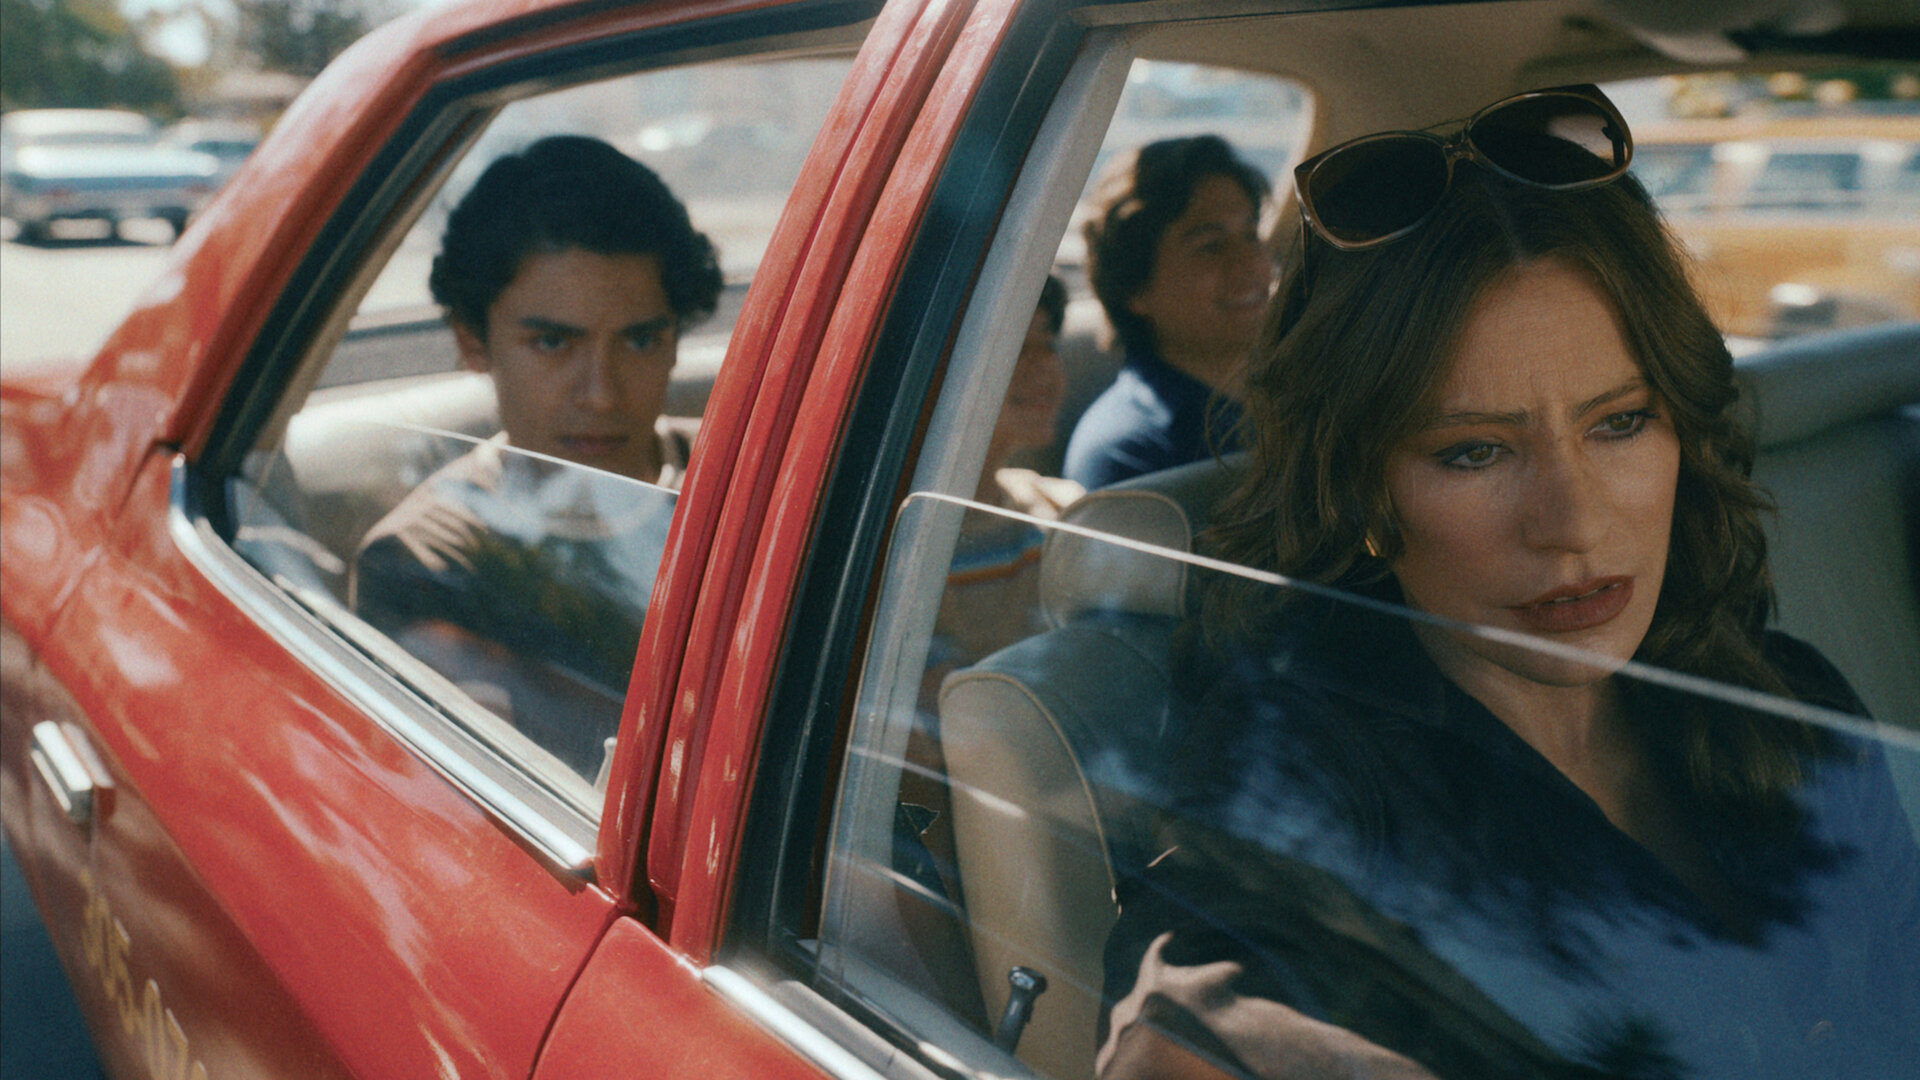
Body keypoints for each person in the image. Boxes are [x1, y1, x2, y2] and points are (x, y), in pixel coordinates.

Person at [1098, 86, 1920, 1079]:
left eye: (1620, 423)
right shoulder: (1307, 794)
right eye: (1475, 451)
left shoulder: (1790, 708)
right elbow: (1193, 1009)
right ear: (1360, 489)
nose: (1573, 523)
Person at [350, 135, 722, 779]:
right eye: (553, 343)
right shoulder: (428, 560)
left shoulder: (753, 481)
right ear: (474, 342)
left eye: (639, 340)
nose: (601, 394)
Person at [1063, 135, 1273, 490]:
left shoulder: (1297, 399)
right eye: (1211, 246)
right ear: (1134, 288)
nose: (1251, 263)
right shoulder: (1128, 453)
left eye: (1251, 235)